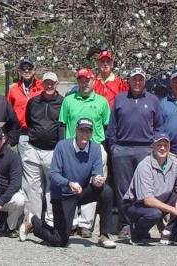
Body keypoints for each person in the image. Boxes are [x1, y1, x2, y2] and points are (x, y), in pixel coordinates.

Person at [19, 118, 117, 248]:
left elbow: (96, 175)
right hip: (62, 194)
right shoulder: (62, 146)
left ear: (92, 133)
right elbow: (54, 175)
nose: (84, 134)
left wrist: (97, 181)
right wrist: (68, 183)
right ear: (76, 131)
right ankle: (33, 221)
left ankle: (104, 235)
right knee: (60, 240)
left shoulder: (95, 149)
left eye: (88, 131)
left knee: (106, 191)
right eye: (82, 130)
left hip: (81, 191)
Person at [106, 67, 163, 237]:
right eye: (134, 79)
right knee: (123, 190)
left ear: (144, 81)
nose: (137, 82)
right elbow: (112, 128)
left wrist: (154, 149)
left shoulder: (153, 100)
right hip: (122, 149)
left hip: (145, 149)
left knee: (144, 189)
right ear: (129, 81)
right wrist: (114, 148)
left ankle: (141, 225)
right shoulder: (120, 99)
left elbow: (159, 127)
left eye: (140, 79)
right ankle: (124, 224)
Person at [59, 68, 111, 238]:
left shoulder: (102, 102)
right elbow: (63, 124)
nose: (84, 83)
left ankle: (86, 224)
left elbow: (106, 126)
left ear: (93, 80)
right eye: (80, 80)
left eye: (87, 80)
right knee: (73, 183)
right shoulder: (68, 101)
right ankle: (72, 222)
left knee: (93, 185)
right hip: (72, 148)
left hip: (95, 149)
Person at [123, 133, 177, 245]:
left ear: (169, 147)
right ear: (153, 146)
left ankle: (170, 233)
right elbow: (148, 200)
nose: (162, 148)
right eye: (159, 145)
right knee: (155, 214)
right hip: (135, 204)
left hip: (160, 198)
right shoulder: (144, 165)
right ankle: (136, 233)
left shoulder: (173, 161)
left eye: (165, 145)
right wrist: (173, 210)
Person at [21, 72, 63, 227]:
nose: (49, 85)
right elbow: (28, 121)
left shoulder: (62, 102)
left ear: (57, 84)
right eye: (46, 82)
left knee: (52, 187)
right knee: (33, 187)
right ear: (42, 84)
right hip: (34, 148)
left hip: (53, 150)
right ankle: (33, 220)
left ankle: (51, 221)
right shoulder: (33, 102)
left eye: (52, 82)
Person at [7, 58, 43, 150]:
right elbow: (8, 110)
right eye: (23, 68)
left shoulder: (42, 87)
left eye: (29, 68)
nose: (27, 71)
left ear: (34, 70)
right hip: (20, 131)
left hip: (38, 129)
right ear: (19, 71)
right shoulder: (13, 90)